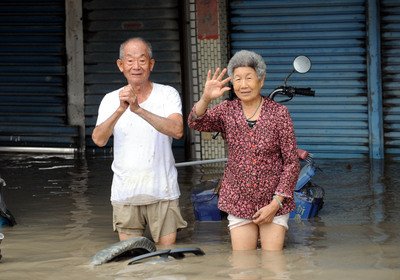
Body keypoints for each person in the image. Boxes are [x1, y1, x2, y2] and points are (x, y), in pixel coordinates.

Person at [188, 50, 300, 251]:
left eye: (249, 78)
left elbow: (291, 163)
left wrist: (276, 203)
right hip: (237, 199)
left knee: (273, 265)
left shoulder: (279, 114)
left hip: (273, 200)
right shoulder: (226, 110)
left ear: (261, 80)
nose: (243, 84)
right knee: (243, 265)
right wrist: (205, 98)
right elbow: (196, 122)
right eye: (237, 79)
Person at [92, 37, 187, 246]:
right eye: (130, 60)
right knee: (130, 263)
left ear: (151, 64)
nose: (136, 66)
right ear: (120, 65)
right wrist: (121, 109)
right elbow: (98, 139)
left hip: (163, 192)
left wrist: (138, 110)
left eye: (142, 60)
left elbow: (178, 130)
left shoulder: (167, 94)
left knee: (166, 263)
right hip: (125, 194)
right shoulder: (110, 99)